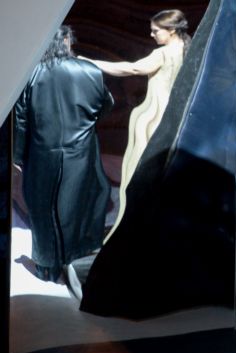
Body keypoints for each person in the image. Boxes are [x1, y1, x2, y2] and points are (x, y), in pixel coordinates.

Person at [13, 25, 114, 283]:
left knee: (42, 210)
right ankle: (74, 261)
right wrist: (85, 125)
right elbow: (106, 104)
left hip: (42, 153)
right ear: (67, 40)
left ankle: (47, 267)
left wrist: (17, 157)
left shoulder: (32, 73)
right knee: (77, 207)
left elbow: (21, 119)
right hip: (81, 153)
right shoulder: (91, 71)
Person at [80, 9, 190, 240]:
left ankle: (133, 231)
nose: (152, 35)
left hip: (153, 119)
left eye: (156, 31)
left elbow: (133, 68)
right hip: (176, 119)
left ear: (171, 30)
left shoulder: (164, 53)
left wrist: (91, 62)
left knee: (137, 175)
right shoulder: (189, 49)